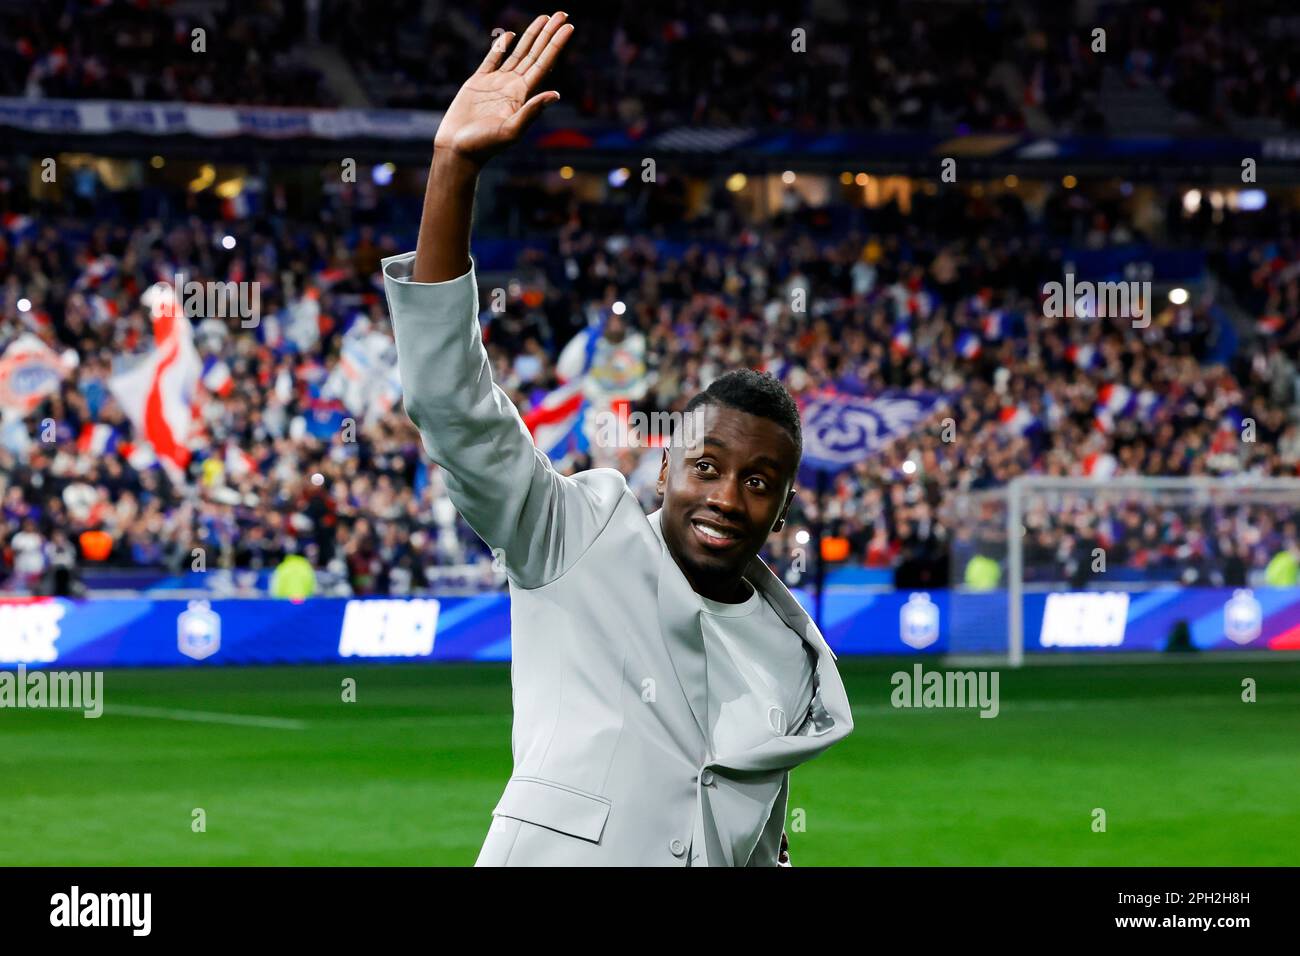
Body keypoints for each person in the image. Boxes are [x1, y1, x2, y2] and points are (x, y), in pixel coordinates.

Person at [384, 11, 852, 866]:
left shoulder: (791, 656)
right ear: (666, 464)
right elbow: (453, 406)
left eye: (758, 482)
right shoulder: (577, 534)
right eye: (708, 466)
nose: (726, 496)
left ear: (783, 505)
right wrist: (452, 169)